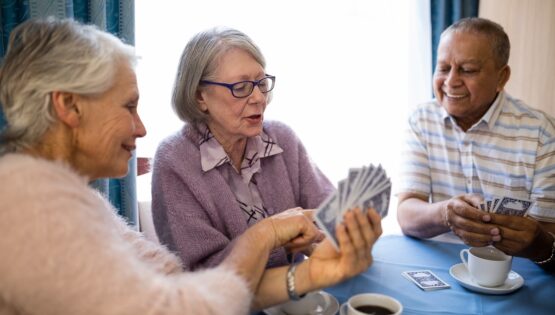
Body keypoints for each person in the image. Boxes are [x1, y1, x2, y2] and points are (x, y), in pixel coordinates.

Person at [0, 18, 383, 314]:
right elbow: (184, 305)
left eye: (261, 83)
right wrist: (267, 233)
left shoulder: (74, 199)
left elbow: (181, 286)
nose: (141, 127)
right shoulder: (28, 204)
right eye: (128, 106)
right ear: (69, 105)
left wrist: (316, 270)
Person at [152, 27, 335, 270]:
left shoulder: (282, 138)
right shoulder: (174, 162)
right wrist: (272, 234)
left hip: (294, 300)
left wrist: (346, 226)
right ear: (200, 97)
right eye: (241, 87)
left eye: (261, 83)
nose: (259, 97)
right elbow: (206, 275)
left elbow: (330, 213)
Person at [397, 17, 555, 271]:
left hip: (518, 273)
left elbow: (549, 237)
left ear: (501, 77)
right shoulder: (421, 120)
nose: (451, 81)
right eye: (443, 68)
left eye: (468, 69)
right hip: (437, 265)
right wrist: (446, 213)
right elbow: (406, 214)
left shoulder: (542, 133)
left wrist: (536, 243)